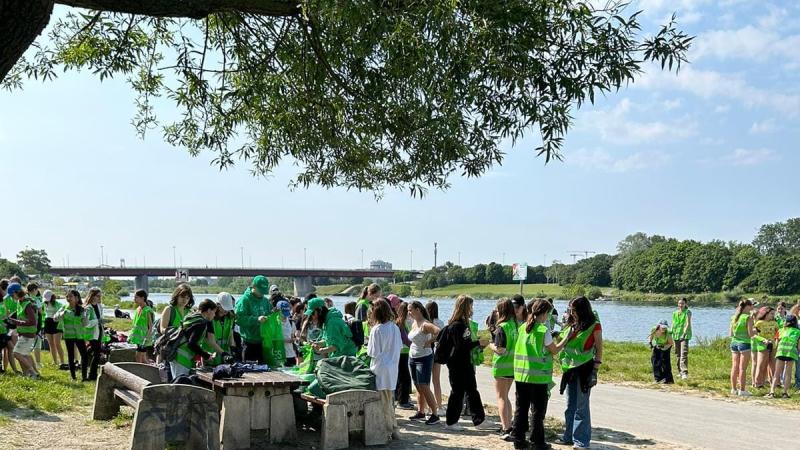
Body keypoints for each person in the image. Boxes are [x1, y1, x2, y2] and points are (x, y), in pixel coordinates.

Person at [513, 298, 568, 450]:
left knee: (521, 409)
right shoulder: (543, 331)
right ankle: (537, 442)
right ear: (544, 313)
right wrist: (566, 340)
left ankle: (518, 440)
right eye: (548, 314)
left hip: (521, 375)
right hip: (538, 377)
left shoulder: (523, 327)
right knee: (537, 412)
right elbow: (554, 350)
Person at [556, 296, 603, 450]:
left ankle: (581, 441)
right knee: (570, 405)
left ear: (582, 310)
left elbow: (599, 349)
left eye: (574, 310)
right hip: (569, 369)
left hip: (585, 369)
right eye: (570, 309)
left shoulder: (594, 326)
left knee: (581, 407)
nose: (572, 312)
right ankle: (568, 436)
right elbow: (562, 343)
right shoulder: (571, 324)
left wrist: (595, 370)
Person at [442, 294, 488, 430]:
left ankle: (479, 420)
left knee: (471, 391)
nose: (472, 309)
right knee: (457, 392)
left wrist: (476, 343)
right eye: (470, 306)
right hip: (457, 363)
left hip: (463, 362)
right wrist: (477, 343)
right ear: (465, 307)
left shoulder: (460, 324)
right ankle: (451, 422)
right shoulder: (457, 326)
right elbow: (461, 346)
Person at [367, 299, 402, 441]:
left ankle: (389, 429)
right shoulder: (394, 327)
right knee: (390, 400)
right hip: (392, 367)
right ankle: (393, 428)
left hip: (380, 368)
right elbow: (399, 347)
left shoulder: (377, 330)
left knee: (383, 402)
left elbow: (372, 352)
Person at [407, 300, 441, 424]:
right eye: (408, 310)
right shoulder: (414, 323)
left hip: (424, 358)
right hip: (413, 357)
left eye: (410, 310)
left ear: (418, 310)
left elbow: (439, 331)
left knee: (425, 386)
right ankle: (421, 412)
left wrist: (430, 341)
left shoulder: (425, 324)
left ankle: (435, 414)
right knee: (417, 386)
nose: (409, 313)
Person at [487, 298, 517, 439]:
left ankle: (506, 428)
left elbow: (500, 349)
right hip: (513, 366)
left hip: (501, 365)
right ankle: (509, 425)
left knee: (501, 398)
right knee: (506, 397)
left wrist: (490, 345)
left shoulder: (502, 327)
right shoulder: (514, 325)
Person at [169, 299, 218, 378]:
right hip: (182, 359)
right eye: (214, 312)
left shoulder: (192, 317)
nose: (214, 315)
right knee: (180, 387)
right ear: (209, 310)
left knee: (177, 384)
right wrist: (206, 356)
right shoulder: (201, 322)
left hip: (176, 355)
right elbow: (192, 344)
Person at [234, 275, 274, 363]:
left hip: (263, 342)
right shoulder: (245, 300)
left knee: (266, 372)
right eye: (260, 291)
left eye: (264, 291)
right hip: (249, 342)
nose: (262, 294)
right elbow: (238, 319)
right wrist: (256, 319)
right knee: (250, 372)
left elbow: (270, 315)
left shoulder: (265, 301)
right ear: (254, 287)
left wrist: (274, 315)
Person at [55, 290, 89, 381]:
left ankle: (84, 377)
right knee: (70, 356)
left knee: (84, 355)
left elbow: (85, 324)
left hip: (79, 336)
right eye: (67, 296)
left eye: (70, 296)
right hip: (68, 335)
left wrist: (85, 316)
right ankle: (73, 376)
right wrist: (62, 314)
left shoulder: (82, 309)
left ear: (77, 298)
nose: (68, 298)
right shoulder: (64, 308)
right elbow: (55, 318)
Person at [7, 283, 40, 378]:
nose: (12, 297)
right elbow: (19, 313)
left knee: (16, 354)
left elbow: (32, 322)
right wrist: (10, 317)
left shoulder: (28, 304)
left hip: (28, 334)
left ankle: (33, 372)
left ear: (17, 292)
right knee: (25, 355)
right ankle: (29, 374)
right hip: (23, 333)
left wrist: (15, 321)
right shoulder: (20, 302)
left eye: (12, 295)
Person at [768, 315, 800, 398]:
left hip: (781, 351)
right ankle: (785, 393)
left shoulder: (780, 330)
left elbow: (776, 344)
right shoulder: (798, 331)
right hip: (791, 352)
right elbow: (799, 346)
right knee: (788, 373)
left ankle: (772, 392)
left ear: (786, 322)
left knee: (777, 373)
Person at [729, 298, 755, 396]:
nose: (752, 307)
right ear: (747, 306)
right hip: (745, 343)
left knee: (734, 367)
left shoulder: (734, 317)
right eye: (751, 305)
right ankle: (742, 390)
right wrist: (756, 331)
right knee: (742, 368)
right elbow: (750, 334)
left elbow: (730, 333)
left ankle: (733, 389)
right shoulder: (747, 317)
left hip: (734, 343)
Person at [391, 297, 413, 408]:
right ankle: (402, 401)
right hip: (403, 351)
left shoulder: (400, 321)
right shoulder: (401, 322)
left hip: (402, 351)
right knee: (404, 377)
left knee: (401, 375)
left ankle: (401, 399)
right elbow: (405, 338)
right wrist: (413, 345)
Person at [204, 292, 237, 367]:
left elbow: (231, 338)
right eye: (224, 307)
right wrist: (224, 354)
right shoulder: (210, 318)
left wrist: (233, 350)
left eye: (228, 307)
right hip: (210, 358)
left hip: (224, 360)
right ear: (218, 305)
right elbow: (211, 341)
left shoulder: (230, 318)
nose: (226, 310)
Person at [425, 300, 445, 415]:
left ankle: (428, 406)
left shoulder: (425, 322)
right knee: (436, 381)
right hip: (437, 351)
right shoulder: (440, 323)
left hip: (427, 351)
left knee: (426, 382)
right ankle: (440, 405)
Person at [128, 290, 155, 364]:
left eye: (136, 297)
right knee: (142, 357)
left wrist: (146, 338)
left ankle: (140, 371)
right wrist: (130, 335)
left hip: (144, 339)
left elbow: (151, 326)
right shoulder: (138, 309)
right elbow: (135, 325)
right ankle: (149, 367)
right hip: (138, 338)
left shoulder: (148, 310)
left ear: (142, 298)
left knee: (139, 357)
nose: (134, 299)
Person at [753, 306, 777, 388]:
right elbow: (754, 335)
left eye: (774, 314)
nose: (773, 315)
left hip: (773, 345)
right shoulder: (759, 323)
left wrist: (777, 339)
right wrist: (763, 340)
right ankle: (758, 383)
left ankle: (774, 383)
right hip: (763, 346)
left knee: (773, 365)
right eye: (771, 314)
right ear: (765, 314)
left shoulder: (774, 323)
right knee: (761, 365)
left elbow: (778, 332)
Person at [83, 287, 104, 381]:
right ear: (92, 296)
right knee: (97, 354)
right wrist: (97, 321)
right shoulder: (88, 308)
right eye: (98, 296)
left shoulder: (99, 306)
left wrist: (102, 322)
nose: (99, 297)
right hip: (91, 334)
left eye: (100, 296)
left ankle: (87, 369)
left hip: (98, 332)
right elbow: (86, 324)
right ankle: (92, 375)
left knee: (94, 352)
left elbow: (100, 319)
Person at [42, 290, 66, 369]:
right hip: (47, 322)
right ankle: (55, 361)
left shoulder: (58, 304)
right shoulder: (44, 303)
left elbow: (62, 310)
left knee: (57, 343)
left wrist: (58, 314)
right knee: (50, 344)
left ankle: (62, 362)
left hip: (56, 323)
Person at [671, 297, 691, 380]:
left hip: (684, 335)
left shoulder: (687, 312)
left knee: (683, 353)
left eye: (682, 303)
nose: (680, 305)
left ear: (685, 304)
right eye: (679, 303)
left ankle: (684, 373)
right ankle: (679, 371)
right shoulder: (675, 313)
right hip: (676, 335)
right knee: (678, 354)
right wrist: (670, 331)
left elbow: (687, 323)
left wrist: (684, 333)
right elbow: (673, 323)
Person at [648, 320, 674, 384]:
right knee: (654, 361)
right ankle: (658, 379)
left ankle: (668, 380)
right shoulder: (654, 329)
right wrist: (650, 343)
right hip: (658, 345)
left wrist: (663, 347)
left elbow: (671, 343)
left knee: (665, 363)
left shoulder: (668, 333)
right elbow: (651, 337)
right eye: (663, 327)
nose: (664, 329)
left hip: (666, 346)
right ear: (659, 326)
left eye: (665, 327)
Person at [277, 300, 298, 366]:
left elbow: (292, 336)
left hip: (291, 355)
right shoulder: (274, 323)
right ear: (278, 310)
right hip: (279, 356)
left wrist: (294, 339)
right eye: (283, 313)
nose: (285, 316)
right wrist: (284, 340)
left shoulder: (291, 322)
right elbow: (270, 339)